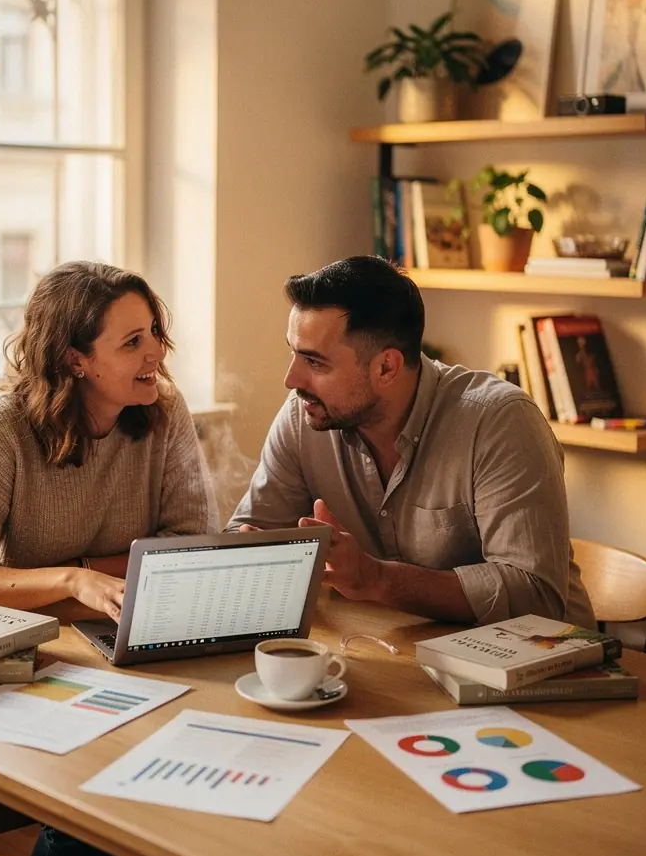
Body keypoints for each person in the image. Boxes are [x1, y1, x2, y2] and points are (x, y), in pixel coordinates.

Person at [0, 260, 219, 856]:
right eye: (132, 341)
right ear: (74, 359)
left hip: (116, 657)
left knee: (190, 782)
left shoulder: (164, 415)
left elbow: (188, 547)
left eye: (155, 333)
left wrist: (85, 575)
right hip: (9, 666)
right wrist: (72, 582)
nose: (156, 353)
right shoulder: (0, 427)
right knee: (93, 809)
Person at [227, 255, 595, 629]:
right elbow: (247, 534)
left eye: (315, 362)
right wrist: (243, 557)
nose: (291, 380)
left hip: (545, 657)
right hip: (393, 650)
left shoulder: (499, 421)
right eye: (293, 352)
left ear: (386, 367)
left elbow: (536, 597)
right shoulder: (304, 415)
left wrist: (375, 579)